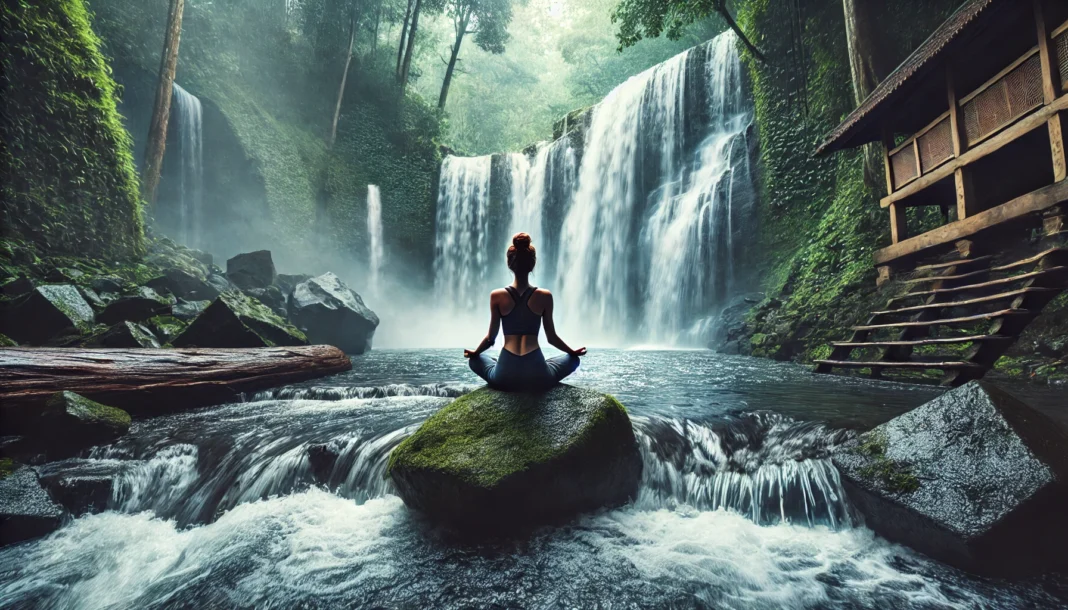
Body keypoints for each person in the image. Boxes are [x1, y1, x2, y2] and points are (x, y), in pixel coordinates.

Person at [465, 232, 587, 392]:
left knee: (474, 361)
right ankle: (540, 366)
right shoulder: (545, 296)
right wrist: (572, 352)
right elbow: (551, 338)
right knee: (573, 361)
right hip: (536, 374)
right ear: (532, 264)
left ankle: (499, 365)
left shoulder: (497, 296)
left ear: (510, 264)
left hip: (505, 373)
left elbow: (491, 339)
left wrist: (475, 352)